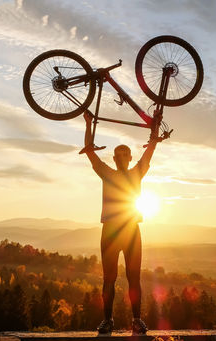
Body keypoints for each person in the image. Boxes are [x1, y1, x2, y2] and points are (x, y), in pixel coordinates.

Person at [82, 111, 158, 334]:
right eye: (119, 154)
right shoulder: (107, 173)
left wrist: (154, 132)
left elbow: (151, 150)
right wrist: (88, 124)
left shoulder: (137, 173)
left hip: (132, 230)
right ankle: (108, 321)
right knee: (109, 279)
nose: (123, 156)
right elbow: (89, 151)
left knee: (134, 278)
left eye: (126, 153)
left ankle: (136, 320)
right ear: (114, 159)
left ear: (130, 158)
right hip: (111, 231)